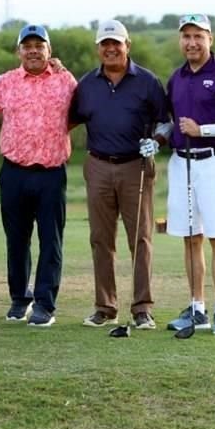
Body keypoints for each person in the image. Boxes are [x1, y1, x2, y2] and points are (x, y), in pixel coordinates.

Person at [69, 20, 170, 331]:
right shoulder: (86, 85)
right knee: (101, 239)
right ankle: (105, 307)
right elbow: (68, 121)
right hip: (98, 165)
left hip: (136, 166)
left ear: (128, 45)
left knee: (140, 238)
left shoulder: (148, 81)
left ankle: (142, 308)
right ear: (98, 48)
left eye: (117, 43)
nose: (111, 48)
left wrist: (158, 141)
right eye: (105, 44)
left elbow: (165, 122)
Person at [0, 24, 78, 327]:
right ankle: (18, 299)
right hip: (14, 173)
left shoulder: (65, 80)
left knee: (51, 241)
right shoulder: (6, 82)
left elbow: (79, 114)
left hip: (50, 173)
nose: (34, 50)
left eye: (40, 45)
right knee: (17, 240)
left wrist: (53, 135)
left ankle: (44, 304)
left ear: (49, 51)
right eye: (28, 46)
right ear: (19, 51)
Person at [164, 14, 215, 336]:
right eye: (186, 36)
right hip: (182, 162)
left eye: (198, 36)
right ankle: (197, 307)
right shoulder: (177, 78)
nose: (192, 42)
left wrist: (203, 130)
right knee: (190, 238)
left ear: (210, 39)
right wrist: (158, 136)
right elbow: (172, 123)